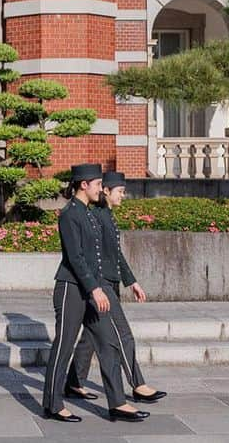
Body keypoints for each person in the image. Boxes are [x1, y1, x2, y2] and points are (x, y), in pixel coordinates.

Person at [40, 163, 150, 425]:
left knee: (108, 343)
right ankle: (53, 404)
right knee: (64, 346)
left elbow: (98, 257)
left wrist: (107, 286)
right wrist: (95, 288)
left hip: (92, 290)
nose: (102, 189)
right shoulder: (69, 215)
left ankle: (118, 404)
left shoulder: (90, 214)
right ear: (83, 185)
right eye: (99, 184)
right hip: (71, 289)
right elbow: (76, 258)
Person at [64, 170, 166, 406]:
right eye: (119, 191)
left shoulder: (105, 215)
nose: (123, 195)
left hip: (107, 282)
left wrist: (131, 281)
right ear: (106, 191)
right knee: (123, 334)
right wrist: (96, 287)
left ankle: (73, 382)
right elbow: (90, 256)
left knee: (89, 337)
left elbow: (115, 255)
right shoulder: (97, 216)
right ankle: (137, 384)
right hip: (101, 285)